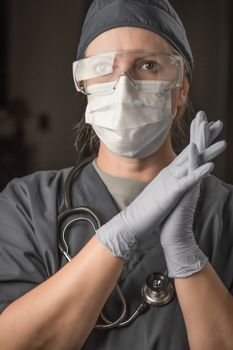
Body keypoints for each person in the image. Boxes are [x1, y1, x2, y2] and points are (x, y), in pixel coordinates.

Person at [0, 0, 232, 349]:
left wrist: (184, 253)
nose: (123, 86)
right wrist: (119, 236)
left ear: (180, 89)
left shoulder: (225, 212)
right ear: (85, 85)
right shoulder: (26, 207)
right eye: (104, 68)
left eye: (149, 65)